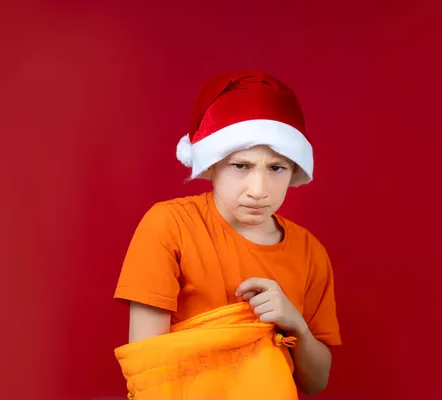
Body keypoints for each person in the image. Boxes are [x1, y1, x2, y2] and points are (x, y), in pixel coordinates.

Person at [113, 70, 341, 399]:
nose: (259, 190)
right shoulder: (169, 225)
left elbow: (316, 382)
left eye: (276, 168)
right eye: (241, 166)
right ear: (212, 165)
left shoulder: (311, 252)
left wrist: (296, 326)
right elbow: (149, 373)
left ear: (293, 171)